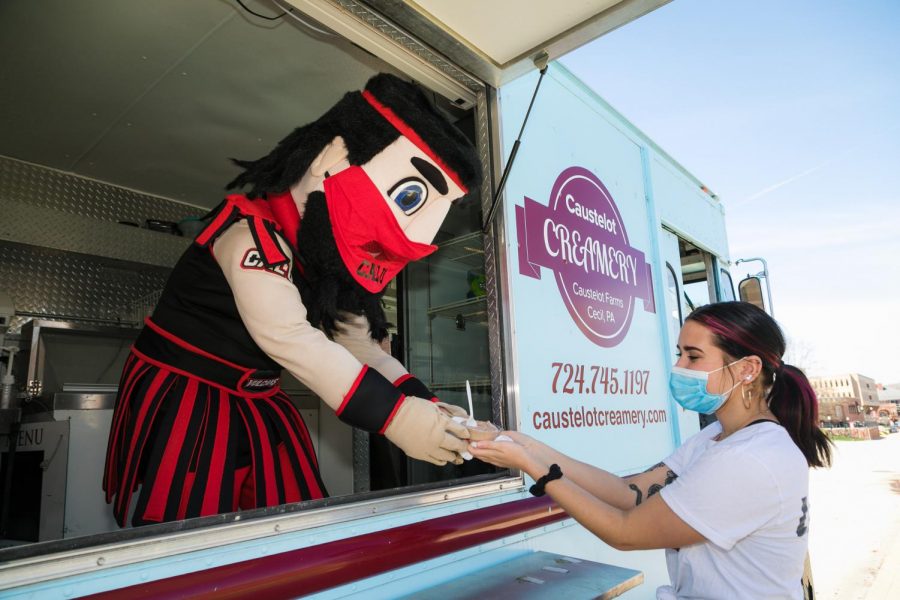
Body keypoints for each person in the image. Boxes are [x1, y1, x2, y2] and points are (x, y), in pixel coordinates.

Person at [103, 73, 480, 527]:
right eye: (410, 196)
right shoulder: (247, 233)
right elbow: (288, 336)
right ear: (332, 158)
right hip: (190, 395)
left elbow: (359, 347)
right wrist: (400, 419)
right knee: (187, 532)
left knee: (288, 519)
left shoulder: (325, 265)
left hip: (259, 397)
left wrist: (426, 404)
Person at [470, 301, 832, 599]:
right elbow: (630, 493)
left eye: (693, 356)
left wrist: (533, 468)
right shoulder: (716, 438)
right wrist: (526, 444)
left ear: (748, 369)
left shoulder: (750, 458)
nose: (678, 367)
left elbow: (625, 531)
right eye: (679, 354)